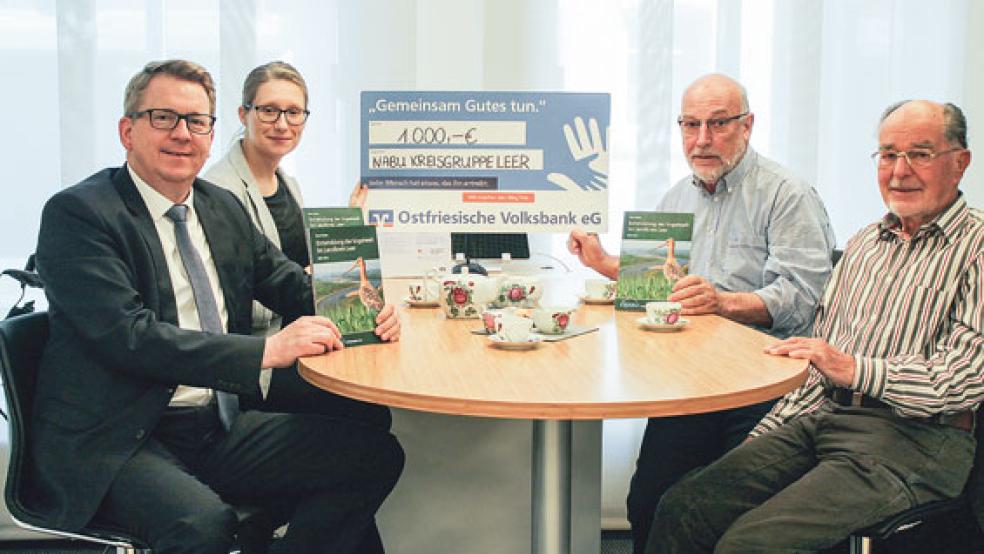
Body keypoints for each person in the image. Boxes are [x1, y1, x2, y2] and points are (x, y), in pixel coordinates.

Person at [32, 59, 404, 553]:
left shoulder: (218, 207)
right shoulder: (80, 214)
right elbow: (129, 336)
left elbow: (285, 281)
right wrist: (264, 352)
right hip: (121, 437)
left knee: (373, 454)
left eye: (197, 121)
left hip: (212, 424)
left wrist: (362, 303)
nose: (183, 134)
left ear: (212, 133)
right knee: (203, 525)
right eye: (163, 118)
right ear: (128, 130)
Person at [646, 99, 982, 553]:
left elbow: (965, 379)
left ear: (959, 163)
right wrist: (760, 441)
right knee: (684, 506)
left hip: (916, 440)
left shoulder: (976, 249)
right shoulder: (866, 244)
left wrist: (857, 370)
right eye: (887, 155)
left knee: (752, 544)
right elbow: (818, 356)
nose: (900, 171)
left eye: (920, 154)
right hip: (823, 418)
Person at [567, 73, 835, 553]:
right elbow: (661, 285)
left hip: (765, 387)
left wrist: (723, 301)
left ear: (748, 125)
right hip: (693, 383)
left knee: (715, 511)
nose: (702, 140)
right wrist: (605, 263)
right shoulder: (677, 197)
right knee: (646, 499)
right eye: (691, 125)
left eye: (718, 124)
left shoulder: (787, 195)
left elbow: (804, 296)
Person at [204, 61, 390, 428]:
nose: (282, 124)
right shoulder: (220, 193)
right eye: (269, 110)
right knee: (367, 411)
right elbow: (237, 301)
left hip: (302, 331)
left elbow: (299, 268)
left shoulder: (286, 183)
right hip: (263, 354)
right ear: (243, 114)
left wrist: (349, 222)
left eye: (293, 112)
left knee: (373, 392)